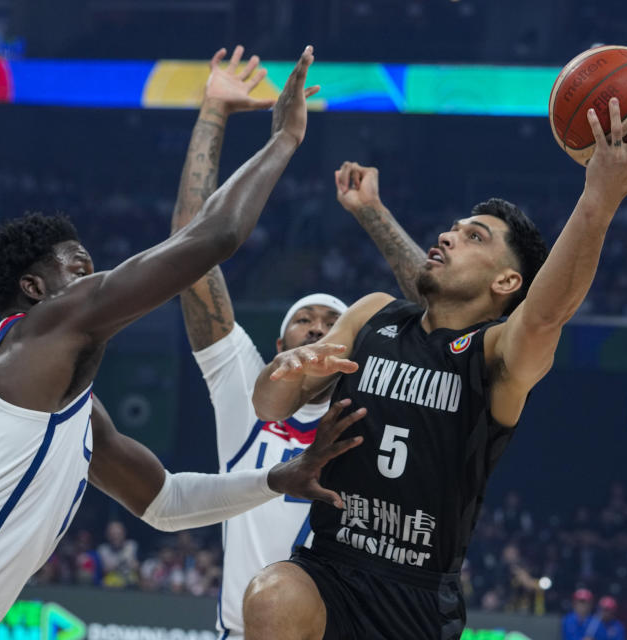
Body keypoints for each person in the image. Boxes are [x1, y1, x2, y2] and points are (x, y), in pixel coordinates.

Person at [0, 46, 368, 640]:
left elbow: (165, 502)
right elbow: (212, 236)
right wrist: (284, 140)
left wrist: (274, 480)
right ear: (35, 288)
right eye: (80, 269)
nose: (96, 282)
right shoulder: (44, 327)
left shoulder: (70, 412)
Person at [243, 98, 627, 639]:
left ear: (508, 283)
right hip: (328, 568)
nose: (446, 236)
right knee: (272, 595)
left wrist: (600, 199)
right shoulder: (373, 314)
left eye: (474, 237)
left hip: (416, 598)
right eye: (453, 228)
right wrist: (285, 366)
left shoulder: (494, 356)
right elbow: (267, 406)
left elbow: (544, 317)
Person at [169, 48, 426, 640]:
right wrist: (214, 109)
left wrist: (374, 215)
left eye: (329, 323)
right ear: (276, 344)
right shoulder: (243, 395)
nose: (315, 328)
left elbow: (447, 318)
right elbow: (187, 250)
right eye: (303, 320)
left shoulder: (375, 415)